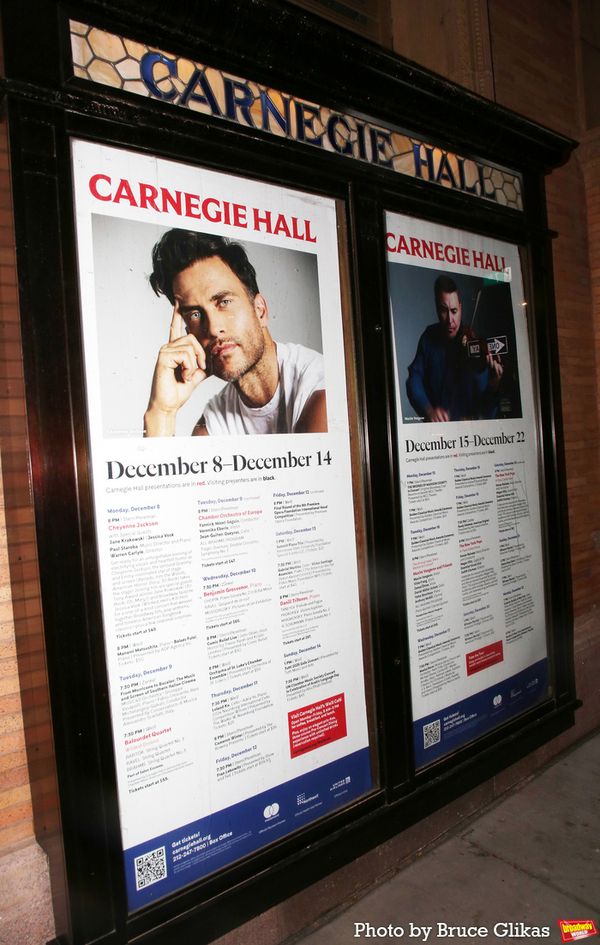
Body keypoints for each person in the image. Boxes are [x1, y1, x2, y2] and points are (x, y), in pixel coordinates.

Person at [143, 230, 327, 436]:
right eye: (195, 314)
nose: (213, 328)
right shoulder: (214, 423)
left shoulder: (319, 385)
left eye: (224, 302)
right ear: (188, 334)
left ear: (260, 310)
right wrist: (162, 412)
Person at [406, 275, 503, 422]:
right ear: (437, 308)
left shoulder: (475, 346)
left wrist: (493, 385)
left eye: (454, 311)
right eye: (444, 310)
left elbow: (487, 413)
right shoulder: (428, 337)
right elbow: (414, 380)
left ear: (461, 308)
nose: (450, 320)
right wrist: (429, 410)